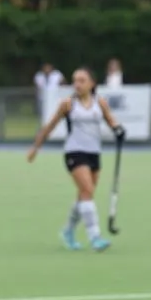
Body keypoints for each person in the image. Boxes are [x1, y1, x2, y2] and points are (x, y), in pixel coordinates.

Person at [27, 67, 125, 252]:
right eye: (75, 80)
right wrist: (35, 148)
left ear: (92, 84)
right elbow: (49, 127)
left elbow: (111, 121)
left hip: (94, 153)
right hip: (74, 152)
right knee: (87, 190)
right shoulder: (68, 104)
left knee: (84, 195)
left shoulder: (100, 103)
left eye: (82, 80)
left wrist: (118, 130)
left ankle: (68, 231)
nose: (77, 84)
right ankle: (95, 237)